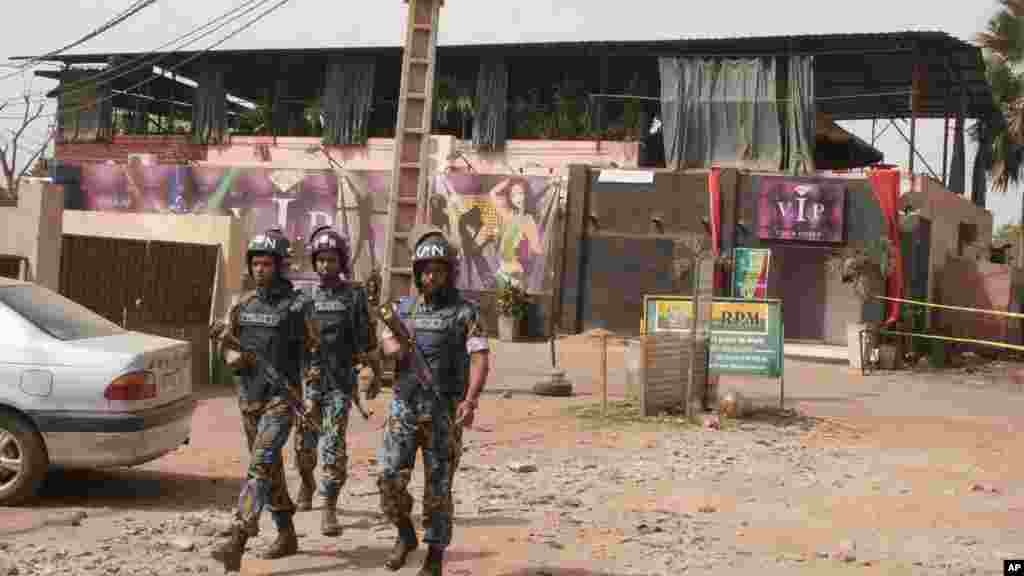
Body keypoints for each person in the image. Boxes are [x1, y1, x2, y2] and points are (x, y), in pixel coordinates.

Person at [376, 225, 492, 576]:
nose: (431, 276)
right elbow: (385, 342)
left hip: (443, 412)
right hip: (404, 408)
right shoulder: (402, 308)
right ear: (416, 272)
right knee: (389, 479)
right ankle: (405, 534)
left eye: (439, 270)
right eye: (426, 270)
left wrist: (470, 402)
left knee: (438, 491)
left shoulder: (465, 312)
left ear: (450, 272)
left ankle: (435, 556)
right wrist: (389, 346)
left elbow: (480, 358)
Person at [209, 232, 317, 572]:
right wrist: (231, 357)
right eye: (255, 263)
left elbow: (313, 353)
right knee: (270, 471)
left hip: (281, 400)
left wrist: (312, 396)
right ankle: (287, 535)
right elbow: (228, 349)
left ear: (281, 266)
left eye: (267, 264)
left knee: (259, 467)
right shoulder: (243, 304)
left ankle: (238, 539)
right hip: (249, 400)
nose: (260, 269)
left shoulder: (299, 305)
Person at [295, 225, 376, 535]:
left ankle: (328, 505)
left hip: (340, 383)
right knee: (304, 445)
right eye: (320, 260)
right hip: (308, 385)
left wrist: (370, 373)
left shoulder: (354, 297)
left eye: (331, 259)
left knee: (333, 445)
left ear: (341, 261)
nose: (325, 266)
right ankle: (307, 483)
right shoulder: (305, 297)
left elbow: (367, 341)